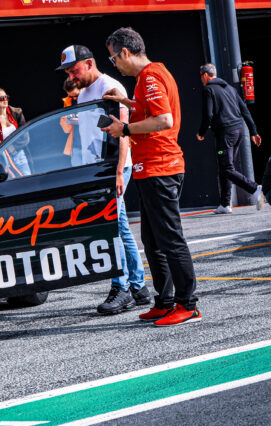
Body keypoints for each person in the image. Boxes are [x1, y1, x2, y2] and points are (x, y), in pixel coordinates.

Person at [101, 27, 200, 326]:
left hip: (161, 167)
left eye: (114, 59)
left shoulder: (151, 76)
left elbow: (164, 119)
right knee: (153, 240)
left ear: (126, 52)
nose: (114, 65)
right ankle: (166, 301)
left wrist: (126, 129)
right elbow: (152, 111)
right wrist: (129, 104)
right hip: (151, 167)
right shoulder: (150, 77)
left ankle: (188, 304)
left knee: (169, 239)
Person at [56, 43, 151, 314]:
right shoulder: (85, 93)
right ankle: (138, 286)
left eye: (74, 71)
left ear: (89, 63)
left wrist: (119, 171)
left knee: (111, 226)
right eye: (68, 73)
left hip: (115, 169)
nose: (71, 77)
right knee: (119, 226)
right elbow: (99, 132)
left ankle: (121, 288)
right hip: (101, 170)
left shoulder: (110, 87)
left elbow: (122, 133)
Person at [196, 63, 264, 214]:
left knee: (226, 168)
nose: (201, 80)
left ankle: (255, 188)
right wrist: (253, 131)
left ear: (205, 75)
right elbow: (244, 110)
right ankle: (225, 204)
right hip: (238, 131)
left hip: (226, 134)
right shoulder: (231, 89)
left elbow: (208, 115)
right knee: (225, 167)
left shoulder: (208, 90)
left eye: (201, 76)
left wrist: (201, 132)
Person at [0, 87, 31, 176]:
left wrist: (11, 148)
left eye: (6, 97)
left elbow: (25, 136)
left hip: (19, 154)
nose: (5, 100)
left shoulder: (16, 113)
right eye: (1, 98)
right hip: (2, 159)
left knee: (27, 178)